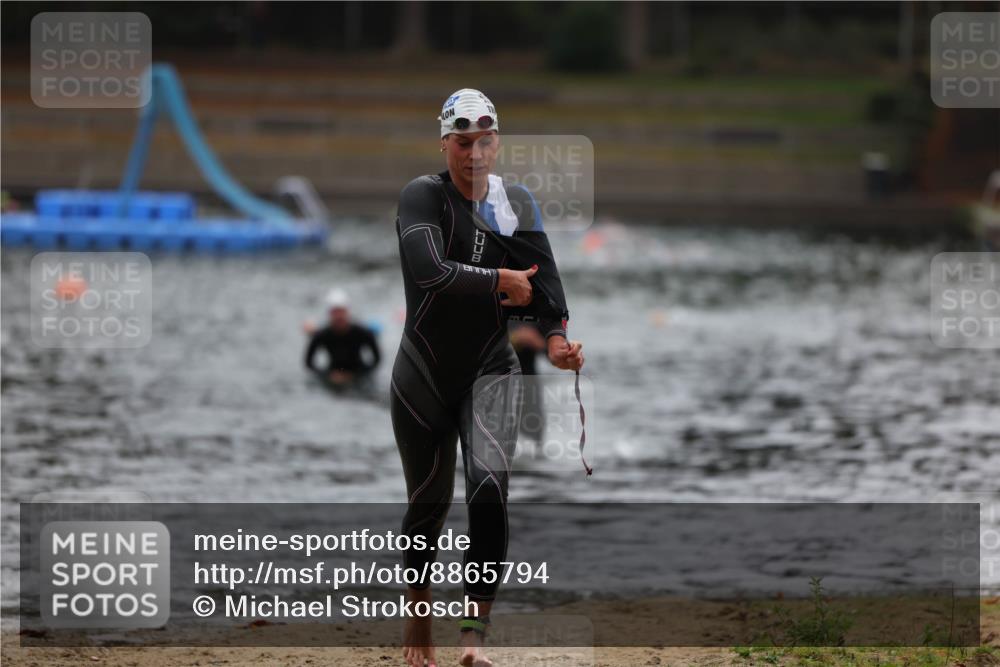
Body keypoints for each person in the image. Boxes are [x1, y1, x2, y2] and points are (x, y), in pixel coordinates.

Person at [391, 88, 584, 667]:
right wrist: (498, 279)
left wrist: (555, 342)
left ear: (498, 142)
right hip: (422, 373)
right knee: (427, 506)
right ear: (445, 142)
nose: (474, 153)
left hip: (490, 370)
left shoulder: (515, 203)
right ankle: (418, 615)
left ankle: (474, 633)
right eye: (462, 141)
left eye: (485, 141)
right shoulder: (423, 196)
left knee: (490, 487)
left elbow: (545, 286)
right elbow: (427, 271)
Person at [303, 288, 380, 388]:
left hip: (359, 376)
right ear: (330, 314)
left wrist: (355, 375)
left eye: (341, 312)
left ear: (347, 312)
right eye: (335, 312)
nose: (339, 316)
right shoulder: (321, 335)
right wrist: (327, 375)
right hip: (332, 375)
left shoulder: (363, 333)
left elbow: (377, 359)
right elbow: (309, 363)